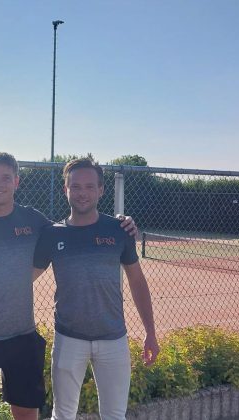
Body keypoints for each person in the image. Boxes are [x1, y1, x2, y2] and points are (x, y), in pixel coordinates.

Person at [0, 152, 139, 420]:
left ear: (16, 182)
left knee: (27, 413)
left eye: (6, 178)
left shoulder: (34, 221)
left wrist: (122, 223)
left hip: (22, 338)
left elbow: (73, 229)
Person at [32, 158, 159, 420]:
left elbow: (137, 281)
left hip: (114, 339)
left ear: (101, 190)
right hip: (68, 338)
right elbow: (23, 278)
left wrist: (150, 332)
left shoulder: (120, 229)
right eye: (76, 186)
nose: (83, 193)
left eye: (90, 186)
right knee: (62, 415)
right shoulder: (52, 234)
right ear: (66, 189)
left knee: (115, 416)